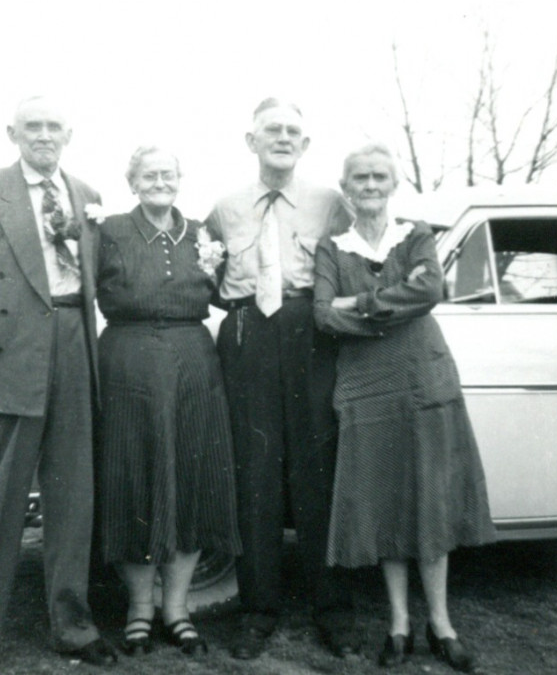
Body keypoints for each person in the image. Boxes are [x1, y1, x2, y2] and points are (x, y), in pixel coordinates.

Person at [0, 96, 117, 675]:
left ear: (70, 133)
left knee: (73, 500)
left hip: (72, 346)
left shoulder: (86, 196)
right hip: (9, 355)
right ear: (12, 132)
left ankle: (74, 625)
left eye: (53, 126)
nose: (44, 135)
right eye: (32, 126)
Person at [313, 144, 496, 671]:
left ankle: (441, 623)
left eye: (378, 177)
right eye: (359, 178)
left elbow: (431, 290)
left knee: (431, 500)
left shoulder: (415, 235)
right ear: (346, 188)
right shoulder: (333, 245)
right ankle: (398, 624)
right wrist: (395, 300)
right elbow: (324, 315)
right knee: (388, 500)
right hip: (368, 384)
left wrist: (364, 304)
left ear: (392, 184)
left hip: (422, 377)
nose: (369, 186)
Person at [205, 98, 357, 660]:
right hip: (247, 331)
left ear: (306, 144)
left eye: (294, 130)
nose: (284, 138)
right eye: (272, 130)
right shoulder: (223, 209)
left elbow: (354, 266)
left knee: (318, 469)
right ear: (252, 141)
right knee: (255, 470)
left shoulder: (331, 204)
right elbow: (209, 280)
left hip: (311, 330)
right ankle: (257, 608)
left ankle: (333, 608)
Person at [96, 147, 242, 656]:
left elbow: (229, 292)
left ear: (180, 179)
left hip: (192, 363)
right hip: (126, 362)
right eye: (148, 174)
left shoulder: (203, 232)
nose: (159, 181)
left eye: (168, 173)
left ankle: (177, 608)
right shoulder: (109, 230)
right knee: (131, 476)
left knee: (190, 480)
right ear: (131, 181)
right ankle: (139, 608)